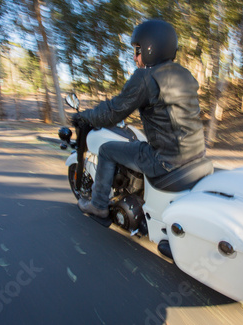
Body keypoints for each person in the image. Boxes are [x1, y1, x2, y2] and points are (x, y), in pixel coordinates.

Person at [72, 19, 206, 219]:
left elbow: (112, 112)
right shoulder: (184, 74)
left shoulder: (146, 77)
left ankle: (98, 205)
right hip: (195, 153)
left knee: (107, 150)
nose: (135, 57)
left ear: (151, 49)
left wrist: (83, 116)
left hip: (165, 160)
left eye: (137, 50)